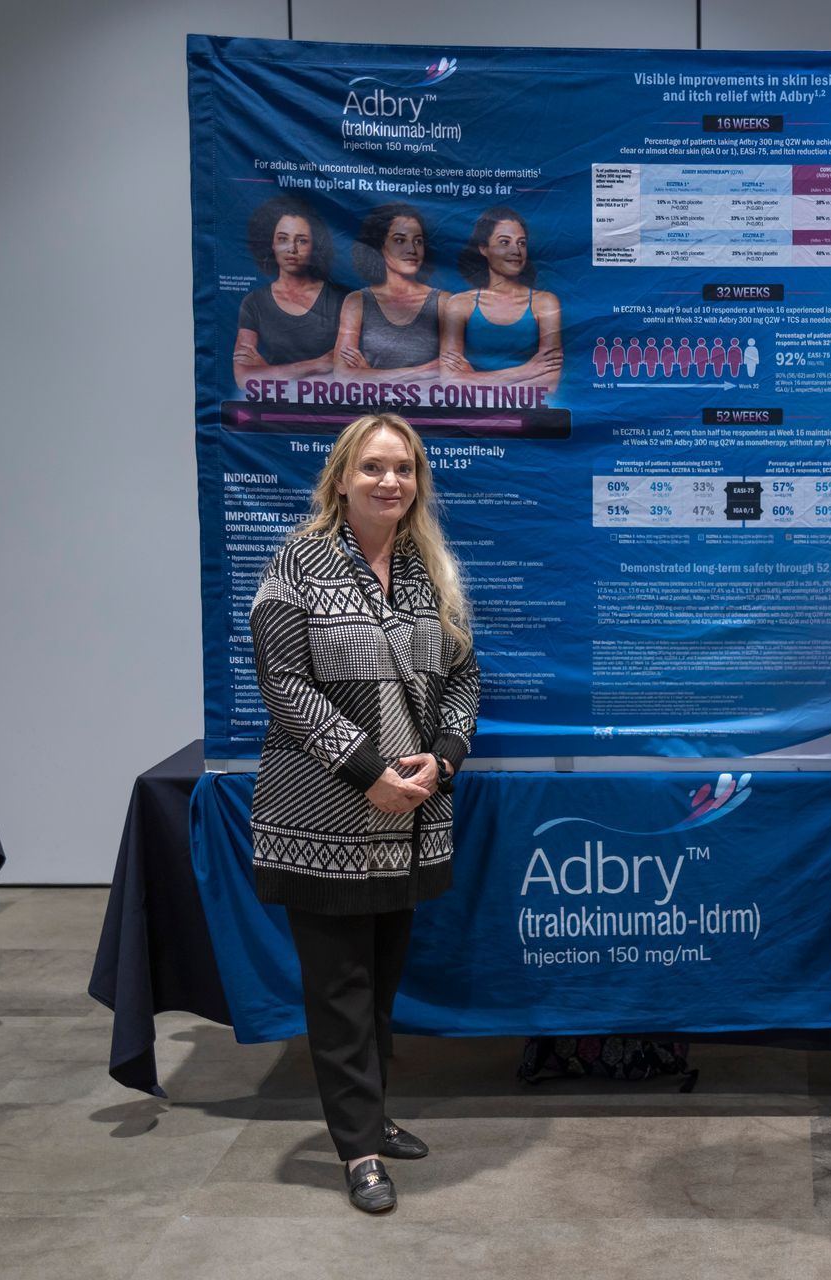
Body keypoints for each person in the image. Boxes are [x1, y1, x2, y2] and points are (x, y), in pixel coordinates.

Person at [249, 412, 479, 1214]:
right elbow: (284, 685)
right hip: (323, 820)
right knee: (339, 988)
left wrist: (442, 756)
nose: (391, 482)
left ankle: (371, 1113)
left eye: (405, 468)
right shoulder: (297, 563)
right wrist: (368, 770)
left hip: (408, 820)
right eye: (375, 467)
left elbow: (462, 679)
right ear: (341, 477)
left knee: (379, 984)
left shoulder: (426, 570)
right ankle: (358, 1152)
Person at [440, 207, 563, 389]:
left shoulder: (545, 303)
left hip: (534, 413)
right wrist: (527, 371)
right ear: (483, 248)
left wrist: (472, 378)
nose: (516, 250)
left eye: (521, 243)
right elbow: (450, 382)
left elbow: (550, 384)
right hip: (473, 413)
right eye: (505, 242)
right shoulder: (459, 305)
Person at [234, 197, 347, 385]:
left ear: (314, 246)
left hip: (332, 409)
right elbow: (243, 378)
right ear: (271, 243)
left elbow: (347, 370)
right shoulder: (254, 302)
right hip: (273, 409)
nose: (291, 249)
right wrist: (318, 364)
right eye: (282, 239)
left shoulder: (342, 300)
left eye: (301, 241)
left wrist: (267, 371)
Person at [335, 204, 445, 379]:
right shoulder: (357, 301)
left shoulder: (443, 302)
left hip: (431, 406)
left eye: (418, 241)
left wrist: (369, 374)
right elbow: (343, 376)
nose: (412, 250)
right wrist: (423, 371)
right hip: (372, 406)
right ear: (380, 246)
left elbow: (450, 370)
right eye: (400, 240)